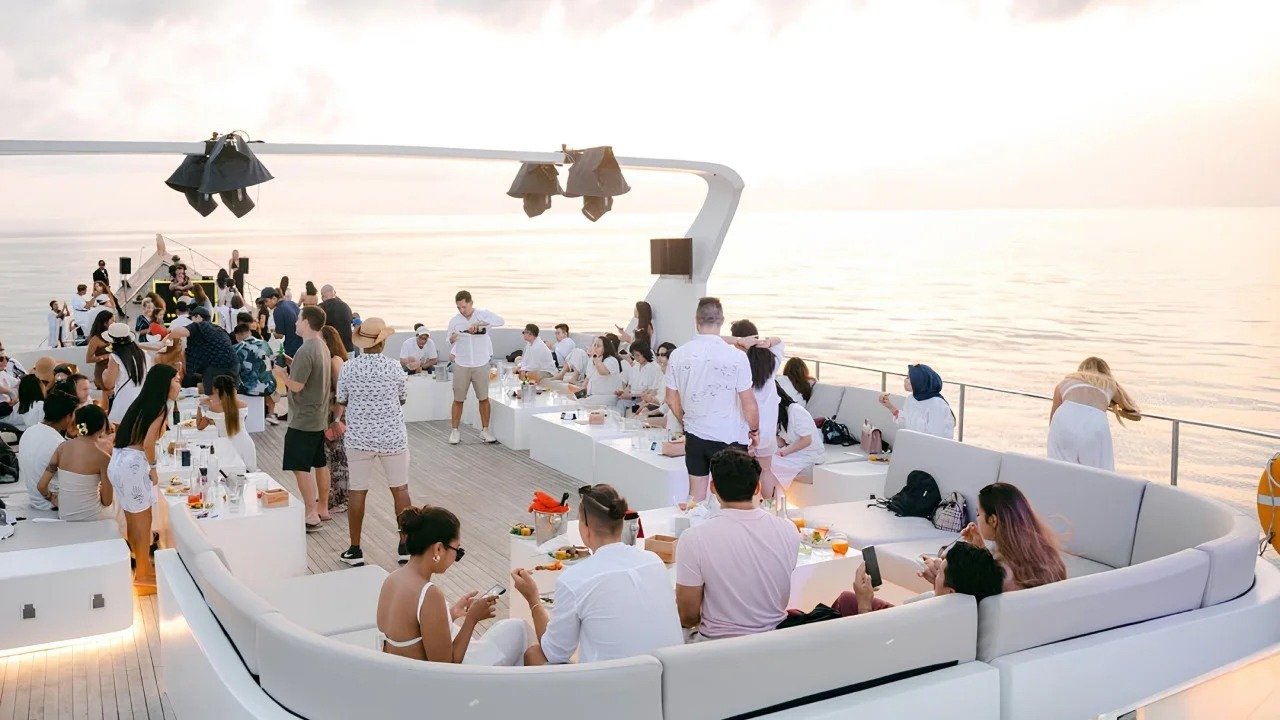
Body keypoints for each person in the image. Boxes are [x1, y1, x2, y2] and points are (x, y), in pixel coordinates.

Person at [514, 484, 683, 664]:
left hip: (612, 680)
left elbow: (554, 652)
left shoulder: (574, 580)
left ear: (585, 528)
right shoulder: (654, 561)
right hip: (668, 674)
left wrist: (533, 599)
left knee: (534, 654)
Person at [376, 505, 529, 665]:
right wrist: (472, 619)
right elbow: (447, 665)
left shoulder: (391, 580)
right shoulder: (429, 594)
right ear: (438, 549)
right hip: (439, 677)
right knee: (519, 628)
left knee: (512, 629)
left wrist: (452, 614)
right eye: (457, 551)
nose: (457, 557)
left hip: (403, 672)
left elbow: (410, 634)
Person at [675, 449, 800, 639]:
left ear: (713, 488)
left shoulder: (693, 538)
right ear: (757, 487)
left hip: (717, 646)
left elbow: (688, 616)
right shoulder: (788, 529)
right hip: (775, 640)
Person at [665, 297, 760, 503]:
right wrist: (754, 430)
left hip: (695, 436)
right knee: (733, 499)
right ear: (722, 320)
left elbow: (671, 399)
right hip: (730, 438)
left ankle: (694, 524)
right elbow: (749, 403)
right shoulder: (737, 357)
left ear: (696, 320)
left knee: (696, 497)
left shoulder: (678, 355)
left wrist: (686, 422)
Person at [337, 318, 412, 567]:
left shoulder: (349, 367)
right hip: (392, 436)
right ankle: (405, 546)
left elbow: (342, 399)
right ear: (383, 341)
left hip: (359, 438)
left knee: (357, 490)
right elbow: (402, 398)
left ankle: (355, 549)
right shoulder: (394, 367)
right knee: (400, 490)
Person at [110, 363, 179, 594]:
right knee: (143, 521)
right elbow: (148, 443)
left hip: (120, 460)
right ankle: (142, 575)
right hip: (133, 464)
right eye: (176, 380)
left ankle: (143, 569)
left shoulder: (142, 403)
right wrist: (154, 467)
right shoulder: (159, 408)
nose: (179, 385)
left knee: (134, 520)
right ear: (165, 384)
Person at [828, 540, 1005, 618]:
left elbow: (871, 646)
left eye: (940, 572)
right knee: (846, 599)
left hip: (891, 630)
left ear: (951, 592)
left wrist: (864, 603)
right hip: (909, 615)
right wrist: (939, 585)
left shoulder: (926, 624)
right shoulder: (974, 604)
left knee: (848, 601)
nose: (935, 571)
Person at [272, 305, 331, 530]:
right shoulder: (321, 346)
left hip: (303, 418)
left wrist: (281, 375)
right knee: (319, 462)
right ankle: (323, 507)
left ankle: (311, 513)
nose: (296, 323)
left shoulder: (306, 349)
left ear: (306, 322)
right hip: (319, 415)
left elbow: (296, 386)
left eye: (298, 319)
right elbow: (311, 373)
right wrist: (291, 362)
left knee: (300, 466)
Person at [950, 482, 1067, 592]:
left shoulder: (998, 575)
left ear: (993, 520)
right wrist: (980, 551)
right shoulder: (1051, 558)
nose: (977, 519)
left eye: (978, 514)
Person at [1048, 357, 1141, 471]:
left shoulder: (1065, 382)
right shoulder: (1108, 384)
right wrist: (1113, 405)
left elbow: (1053, 417)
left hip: (1063, 420)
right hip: (1094, 422)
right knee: (1099, 472)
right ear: (1105, 372)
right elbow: (1135, 413)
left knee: (1059, 469)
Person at [729, 321, 785, 501]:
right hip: (767, 427)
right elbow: (780, 340)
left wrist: (735, 340)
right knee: (766, 470)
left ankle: (748, 508)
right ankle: (770, 507)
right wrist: (767, 342)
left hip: (745, 428)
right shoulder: (771, 359)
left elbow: (715, 341)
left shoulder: (736, 361)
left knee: (742, 473)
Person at [37, 404, 114, 521]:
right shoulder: (104, 458)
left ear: (77, 424)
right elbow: (107, 501)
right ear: (102, 427)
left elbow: (41, 486)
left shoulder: (62, 448)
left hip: (65, 515)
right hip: (92, 517)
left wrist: (52, 498)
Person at [446, 290, 504, 445]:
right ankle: (455, 431)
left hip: (481, 363)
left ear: (471, 303)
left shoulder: (482, 314)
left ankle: (485, 430)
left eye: (464, 307)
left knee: (483, 398)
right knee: (458, 399)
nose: (461, 310)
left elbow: (501, 321)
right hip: (462, 364)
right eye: (459, 307)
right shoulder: (454, 321)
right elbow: (449, 340)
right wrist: (453, 338)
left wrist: (480, 322)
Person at [20, 391, 78, 512]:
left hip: (34, 499)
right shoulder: (59, 444)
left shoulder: (29, 431)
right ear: (68, 416)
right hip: (51, 503)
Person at [168, 306, 239, 394]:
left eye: (192, 319)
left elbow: (177, 332)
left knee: (213, 395)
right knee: (230, 394)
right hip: (234, 364)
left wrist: (167, 339)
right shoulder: (219, 329)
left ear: (197, 316)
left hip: (215, 366)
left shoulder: (200, 325)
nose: (191, 322)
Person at [196, 375, 257, 472]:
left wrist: (199, 406)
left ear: (216, 390)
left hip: (227, 447)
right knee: (248, 476)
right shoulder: (244, 405)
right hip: (246, 446)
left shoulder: (214, 408)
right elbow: (234, 420)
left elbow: (199, 426)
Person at [879, 364, 956, 440]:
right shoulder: (911, 398)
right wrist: (890, 407)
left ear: (919, 381)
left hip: (930, 446)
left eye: (908, 378)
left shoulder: (937, 404)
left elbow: (938, 438)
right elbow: (907, 423)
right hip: (914, 443)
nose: (905, 380)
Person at [321, 326, 350, 515]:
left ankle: (342, 499)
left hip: (336, 415)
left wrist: (337, 418)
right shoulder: (333, 360)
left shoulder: (334, 361)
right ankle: (333, 496)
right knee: (333, 457)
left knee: (339, 457)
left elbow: (342, 392)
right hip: (332, 414)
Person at [770, 391, 825, 490]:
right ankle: (773, 496)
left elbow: (806, 440)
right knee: (764, 459)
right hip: (796, 453)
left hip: (810, 454)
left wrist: (784, 452)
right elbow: (782, 442)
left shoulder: (796, 411)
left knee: (769, 463)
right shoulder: (781, 417)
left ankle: (771, 497)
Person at [101, 323, 150, 424]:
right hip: (143, 401)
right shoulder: (144, 354)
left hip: (124, 402)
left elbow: (108, 384)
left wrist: (104, 373)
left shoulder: (115, 357)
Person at [232, 323, 278, 424]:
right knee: (267, 377)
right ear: (249, 332)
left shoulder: (236, 348)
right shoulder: (264, 343)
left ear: (237, 335)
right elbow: (272, 360)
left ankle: (239, 417)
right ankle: (271, 414)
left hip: (247, 389)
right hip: (268, 387)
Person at [571, 336, 625, 406]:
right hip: (593, 397)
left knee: (575, 404)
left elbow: (602, 372)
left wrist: (596, 359)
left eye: (598, 346)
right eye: (594, 345)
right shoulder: (592, 359)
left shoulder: (611, 360)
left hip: (607, 398)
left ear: (605, 348)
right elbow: (587, 379)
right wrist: (581, 394)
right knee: (570, 400)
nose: (595, 347)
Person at [615, 341, 664, 414]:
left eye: (638, 355)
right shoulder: (636, 365)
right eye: (633, 355)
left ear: (644, 353)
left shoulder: (654, 368)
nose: (635, 358)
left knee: (622, 404)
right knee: (619, 402)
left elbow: (651, 393)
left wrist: (631, 396)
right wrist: (623, 392)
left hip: (642, 400)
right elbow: (629, 386)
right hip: (632, 398)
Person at [261, 286, 302, 357]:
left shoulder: (278, 310)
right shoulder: (292, 303)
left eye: (266, 301)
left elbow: (280, 335)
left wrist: (272, 332)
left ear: (274, 298)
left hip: (291, 348)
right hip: (301, 344)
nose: (265, 304)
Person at [85, 310, 115, 393]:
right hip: (102, 371)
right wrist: (106, 356)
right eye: (112, 321)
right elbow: (88, 359)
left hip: (113, 370)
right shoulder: (95, 339)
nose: (114, 323)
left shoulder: (113, 335)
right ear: (105, 323)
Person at [319, 284, 355, 354]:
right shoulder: (345, 306)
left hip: (332, 351)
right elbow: (351, 321)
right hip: (348, 349)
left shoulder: (320, 308)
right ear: (334, 293)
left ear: (322, 297)